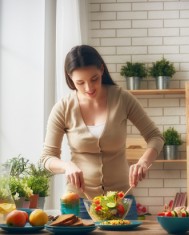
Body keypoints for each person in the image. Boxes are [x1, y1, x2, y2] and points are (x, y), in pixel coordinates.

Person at [41, 45, 164, 219]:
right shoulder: (63, 108)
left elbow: (155, 136)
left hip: (122, 201)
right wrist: (66, 166)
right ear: (70, 78)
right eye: (80, 83)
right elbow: (47, 157)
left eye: (94, 79)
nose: (89, 88)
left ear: (102, 69)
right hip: (79, 203)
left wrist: (143, 162)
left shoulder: (122, 98)